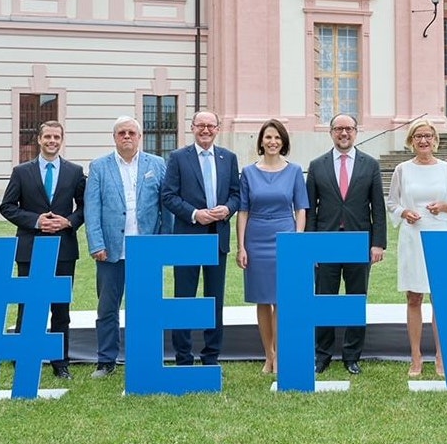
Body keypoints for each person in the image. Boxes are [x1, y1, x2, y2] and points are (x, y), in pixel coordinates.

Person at [85, 116, 172, 378]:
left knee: (146, 306)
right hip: (111, 250)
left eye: (131, 133)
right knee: (107, 308)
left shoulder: (156, 164)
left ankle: (143, 356)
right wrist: (96, 243)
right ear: (114, 137)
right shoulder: (99, 166)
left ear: (140, 137)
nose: (127, 136)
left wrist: (163, 243)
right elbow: (92, 209)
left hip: (146, 250)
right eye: (121, 133)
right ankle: (106, 361)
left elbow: (165, 206)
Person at [0, 120, 85, 380]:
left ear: (62, 140)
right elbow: (7, 206)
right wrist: (36, 221)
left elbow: (85, 207)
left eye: (56, 137)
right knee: (28, 304)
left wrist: (68, 221)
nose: (52, 141)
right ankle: (23, 356)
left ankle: (61, 363)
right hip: (30, 247)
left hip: (63, 248)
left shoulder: (75, 172)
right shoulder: (21, 172)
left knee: (61, 308)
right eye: (47, 136)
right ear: (39, 139)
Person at [306, 113, 387, 375]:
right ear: (331, 132)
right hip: (325, 242)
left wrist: (378, 243)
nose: (344, 133)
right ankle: (322, 355)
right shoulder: (317, 166)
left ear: (356, 132)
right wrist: (311, 246)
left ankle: (352, 356)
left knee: (356, 299)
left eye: (349, 129)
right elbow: (310, 211)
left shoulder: (370, 165)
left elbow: (378, 208)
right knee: (324, 300)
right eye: (339, 129)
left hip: (359, 242)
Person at [385, 120, 447, 378]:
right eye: (418, 136)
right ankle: (416, 356)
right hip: (413, 237)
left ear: (435, 139)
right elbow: (392, 203)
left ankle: (442, 356)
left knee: (440, 298)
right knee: (414, 297)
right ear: (411, 140)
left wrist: (444, 206)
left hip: (440, 234)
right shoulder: (402, 169)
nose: (423, 140)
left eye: (428, 136)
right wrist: (404, 212)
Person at [161, 110, 240, 367]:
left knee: (214, 300)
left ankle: (211, 357)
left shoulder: (228, 157)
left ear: (217, 128)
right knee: (184, 300)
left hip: (217, 238)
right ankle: (183, 357)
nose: (205, 130)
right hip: (188, 238)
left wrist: (227, 209)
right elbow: (168, 196)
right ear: (192, 127)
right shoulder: (178, 157)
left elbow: (236, 194)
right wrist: (195, 214)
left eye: (210, 126)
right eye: (201, 125)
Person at [236, 119, 308, 375]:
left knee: (281, 300)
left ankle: (281, 354)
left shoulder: (295, 171)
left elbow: (301, 209)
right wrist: (241, 246)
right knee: (262, 300)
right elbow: (243, 211)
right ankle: (269, 355)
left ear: (283, 142)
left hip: (284, 237)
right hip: (256, 239)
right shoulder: (248, 172)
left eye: (277, 137)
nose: (272, 142)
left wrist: (297, 240)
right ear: (261, 141)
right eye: (268, 137)